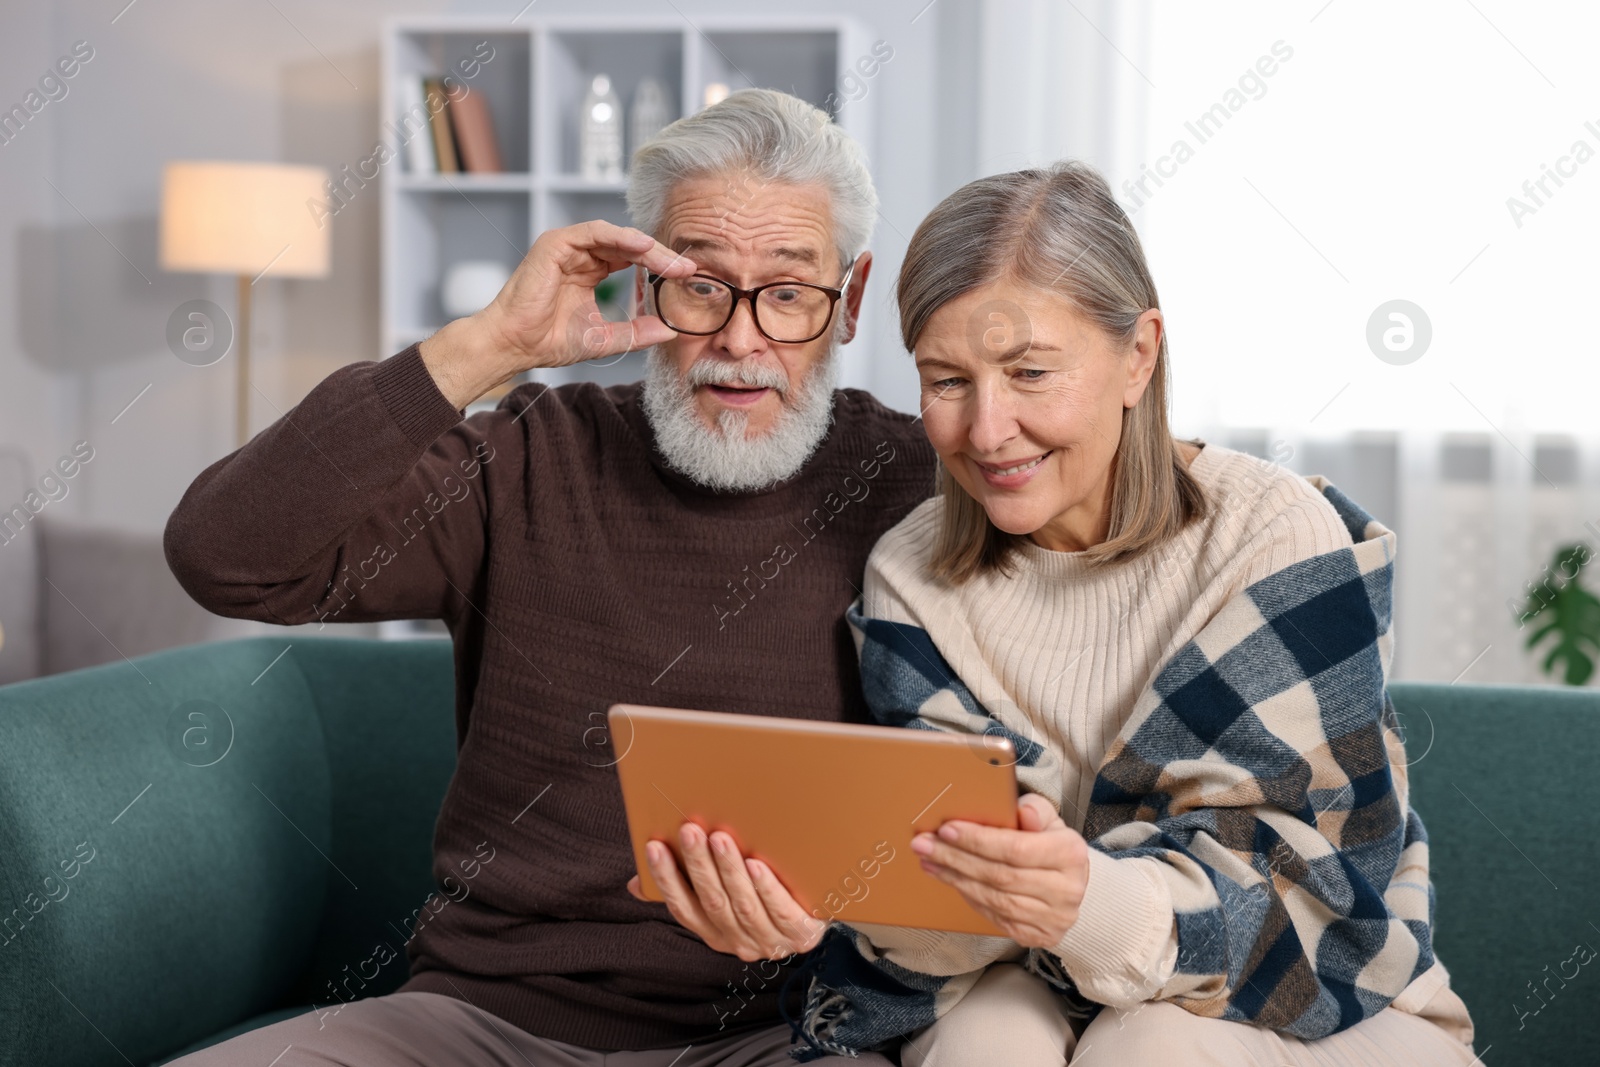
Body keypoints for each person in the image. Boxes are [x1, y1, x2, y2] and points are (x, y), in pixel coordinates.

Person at [160, 88, 935, 1066]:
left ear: (851, 299)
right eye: (700, 284)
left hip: (784, 1032)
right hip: (479, 1023)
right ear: (642, 282)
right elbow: (225, 556)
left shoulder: (919, 484)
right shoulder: (528, 455)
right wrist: (489, 344)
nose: (741, 340)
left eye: (787, 293)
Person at [642, 162, 1480, 1066]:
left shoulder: (1276, 537)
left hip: (1321, 999)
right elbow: (948, 910)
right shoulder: (911, 575)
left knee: (1150, 1042)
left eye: (1031, 371)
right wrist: (843, 897)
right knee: (987, 1040)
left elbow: (1310, 911)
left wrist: (1084, 897)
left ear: (1139, 356)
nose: (989, 429)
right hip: (1040, 981)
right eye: (947, 380)